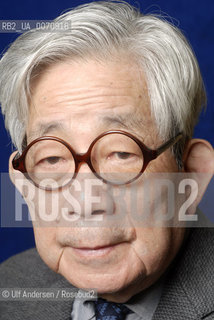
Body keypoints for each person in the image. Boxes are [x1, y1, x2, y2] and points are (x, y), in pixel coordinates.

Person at [0, 1, 214, 319]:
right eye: (51, 158)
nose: (86, 202)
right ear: (24, 184)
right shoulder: (11, 286)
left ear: (192, 175)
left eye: (121, 154)